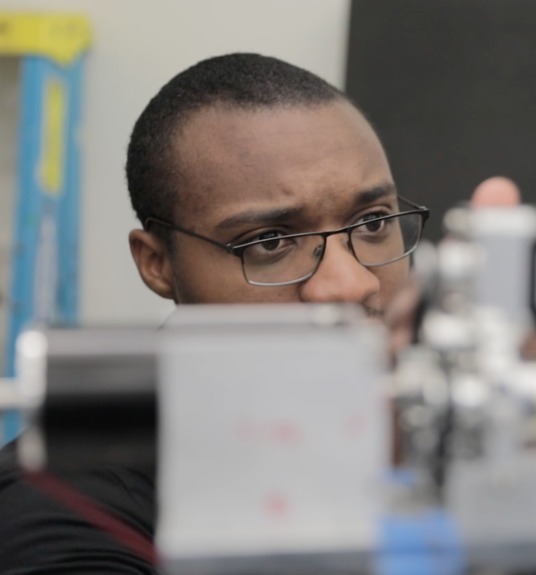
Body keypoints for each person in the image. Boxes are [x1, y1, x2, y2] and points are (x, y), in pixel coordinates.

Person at [0, 52, 430, 574]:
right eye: (270, 242)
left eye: (372, 222)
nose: (351, 283)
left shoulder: (441, 438)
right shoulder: (58, 502)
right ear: (157, 264)